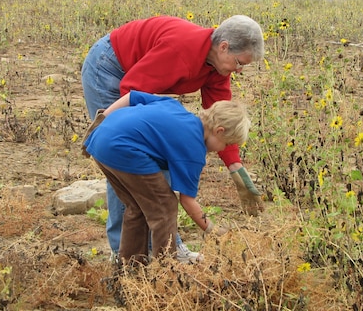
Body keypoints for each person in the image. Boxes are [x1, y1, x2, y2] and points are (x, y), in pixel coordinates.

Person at [81, 15, 265, 262]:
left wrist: (234, 165)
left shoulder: (218, 69)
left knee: (146, 173)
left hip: (133, 88)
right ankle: (141, 253)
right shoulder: (181, 50)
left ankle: (135, 259)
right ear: (224, 47)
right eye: (240, 62)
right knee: (133, 168)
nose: (240, 70)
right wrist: (107, 124)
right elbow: (133, 88)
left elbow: (220, 114)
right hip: (109, 65)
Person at [82, 90, 250, 265]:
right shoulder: (193, 149)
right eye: (227, 144)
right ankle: (165, 271)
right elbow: (187, 201)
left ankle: (130, 270)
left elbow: (132, 97)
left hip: (101, 138)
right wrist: (213, 231)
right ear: (219, 131)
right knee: (165, 207)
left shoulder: (175, 107)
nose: (223, 149)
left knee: (137, 206)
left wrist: (101, 122)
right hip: (123, 148)